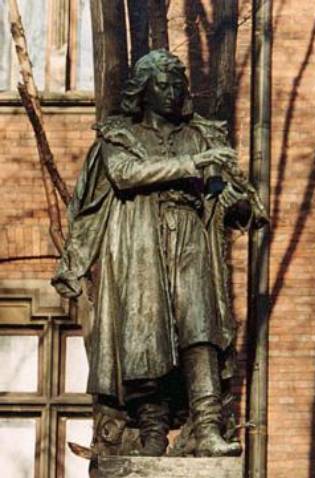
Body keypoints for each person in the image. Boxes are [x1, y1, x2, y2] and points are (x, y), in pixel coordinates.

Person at [52, 49, 267, 457]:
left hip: (190, 235)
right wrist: (194, 164)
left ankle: (206, 427)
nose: (171, 92)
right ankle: (152, 433)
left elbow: (218, 191)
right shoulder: (121, 135)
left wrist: (231, 193)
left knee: (199, 326)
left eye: (176, 84)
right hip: (141, 241)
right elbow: (126, 175)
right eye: (162, 85)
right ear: (144, 90)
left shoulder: (199, 134)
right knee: (146, 337)